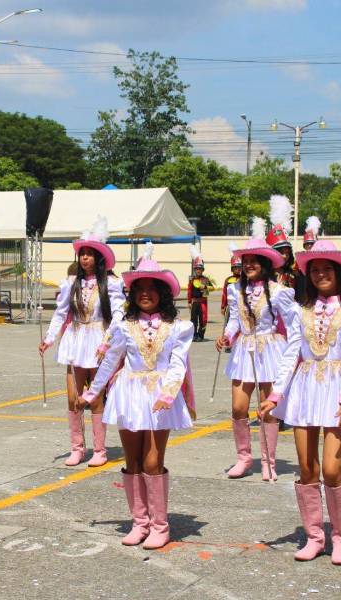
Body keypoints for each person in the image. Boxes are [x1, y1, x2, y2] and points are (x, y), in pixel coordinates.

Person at [261, 231, 341, 565]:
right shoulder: (300, 311)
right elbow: (289, 354)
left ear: (339, 273)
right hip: (304, 389)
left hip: (338, 390)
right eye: (314, 269)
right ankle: (314, 536)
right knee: (307, 468)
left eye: (327, 268)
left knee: (330, 469)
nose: (320, 274)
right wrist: (276, 394)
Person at [82, 243, 194, 550]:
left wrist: (169, 394)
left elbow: (177, 364)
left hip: (160, 397)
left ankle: (160, 525)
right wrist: (92, 392)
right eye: (139, 288)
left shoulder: (178, 327)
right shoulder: (123, 325)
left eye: (151, 288)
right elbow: (109, 361)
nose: (145, 293)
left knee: (152, 460)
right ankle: (139, 522)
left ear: (163, 292)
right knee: (132, 460)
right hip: (128, 395)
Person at [39, 216, 126, 468]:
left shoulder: (111, 283)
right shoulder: (70, 283)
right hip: (75, 340)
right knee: (73, 397)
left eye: (89, 254)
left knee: (95, 397)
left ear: (99, 258)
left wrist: (107, 342)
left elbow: (118, 315)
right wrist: (49, 339)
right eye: (82, 254)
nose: (84, 258)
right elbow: (60, 314)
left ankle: (100, 449)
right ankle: (77, 448)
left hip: (99, 338)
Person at [216, 217, 294, 481]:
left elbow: (293, 325)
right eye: (245, 260)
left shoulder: (279, 291)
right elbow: (235, 321)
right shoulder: (234, 289)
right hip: (243, 349)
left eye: (254, 260)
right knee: (239, 407)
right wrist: (226, 336)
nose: (248, 264)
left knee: (267, 408)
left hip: (270, 348)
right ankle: (244, 457)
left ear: (265, 264)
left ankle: (268, 462)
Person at [266, 195, 297, 289]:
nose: (285, 256)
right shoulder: (263, 275)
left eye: (287, 253)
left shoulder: (293, 275)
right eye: (281, 252)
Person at [187, 245, 215, 342]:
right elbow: (189, 291)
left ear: (203, 270)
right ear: (195, 270)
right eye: (197, 269)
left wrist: (206, 287)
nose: (198, 271)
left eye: (200, 269)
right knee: (193, 320)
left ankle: (201, 335)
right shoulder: (192, 279)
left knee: (203, 319)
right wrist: (189, 302)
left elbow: (213, 288)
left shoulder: (205, 279)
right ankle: (194, 335)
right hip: (194, 302)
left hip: (203, 302)